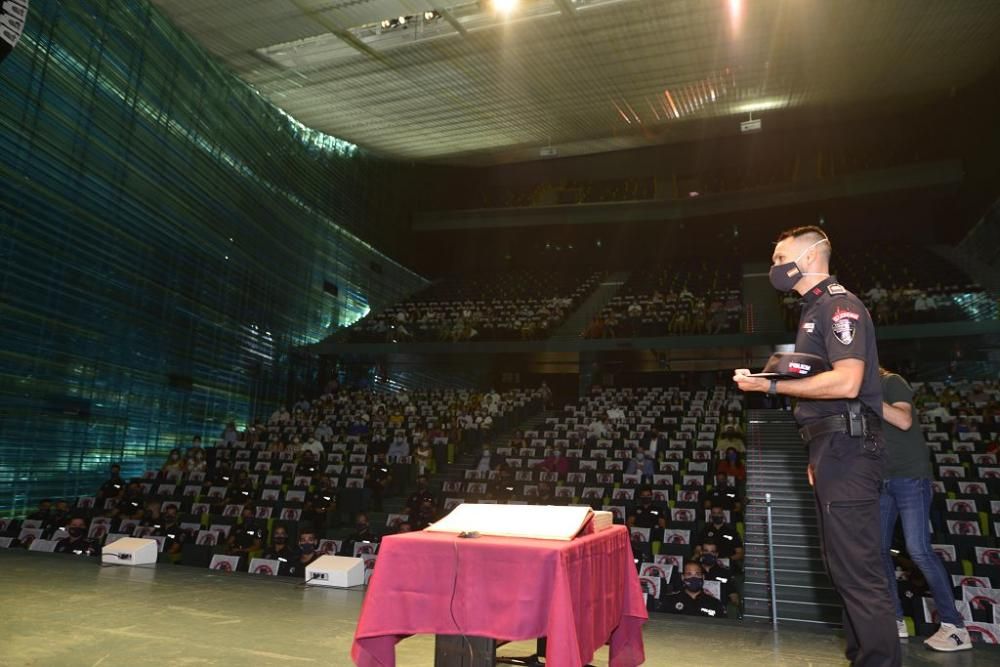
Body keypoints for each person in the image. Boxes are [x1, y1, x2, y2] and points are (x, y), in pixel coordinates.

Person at [734, 225, 900, 667]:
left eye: (778, 257)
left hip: (848, 447)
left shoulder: (838, 307)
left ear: (808, 258)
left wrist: (770, 385)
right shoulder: (812, 311)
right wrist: (816, 451)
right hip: (831, 447)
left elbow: (846, 382)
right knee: (843, 567)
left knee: (858, 571)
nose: (773, 267)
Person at [877, 367, 971, 651]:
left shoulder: (891, 382)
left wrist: (865, 395)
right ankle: (894, 620)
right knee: (876, 549)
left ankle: (955, 627)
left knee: (918, 549)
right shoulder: (857, 392)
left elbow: (904, 420)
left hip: (910, 477)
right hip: (881, 480)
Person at [660, 560, 726, 618]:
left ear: (703, 577)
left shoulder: (714, 603)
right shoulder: (670, 601)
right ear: (683, 577)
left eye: (697, 574)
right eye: (689, 574)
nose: (693, 578)